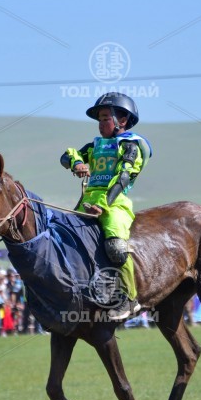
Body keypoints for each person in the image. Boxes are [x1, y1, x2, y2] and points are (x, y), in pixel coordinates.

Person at [61, 92, 152, 321]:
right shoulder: (94, 146)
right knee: (62, 237)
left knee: (116, 247)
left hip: (115, 203)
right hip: (87, 202)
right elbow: (66, 156)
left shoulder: (131, 145)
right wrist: (77, 163)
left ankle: (129, 298)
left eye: (105, 119)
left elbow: (123, 178)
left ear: (122, 120)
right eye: (99, 120)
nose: (101, 124)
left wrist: (103, 206)